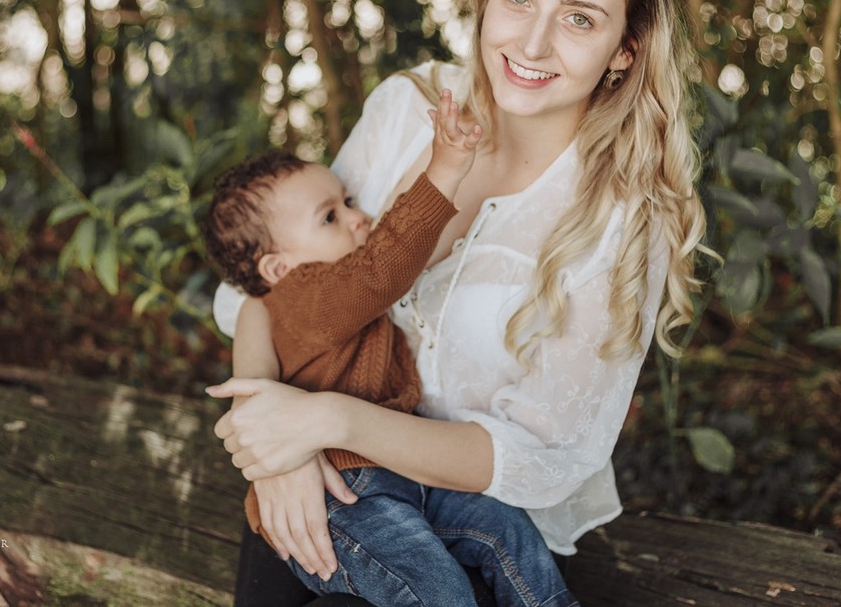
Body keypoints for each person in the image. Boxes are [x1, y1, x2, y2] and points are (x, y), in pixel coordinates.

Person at [207, 0, 708, 607]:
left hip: (474, 532)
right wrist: (273, 444)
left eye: (579, 19)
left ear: (625, 49)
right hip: (317, 501)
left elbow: (543, 458)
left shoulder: (625, 219)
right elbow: (265, 293)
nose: (532, 43)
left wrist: (328, 419)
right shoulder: (409, 109)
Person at [200, 94, 579, 606]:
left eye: (349, 201)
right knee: (437, 589)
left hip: (405, 479)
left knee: (506, 530)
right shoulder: (302, 295)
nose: (359, 218)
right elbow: (381, 270)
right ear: (278, 269)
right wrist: (443, 169)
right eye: (330, 217)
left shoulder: (295, 302)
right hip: (345, 498)